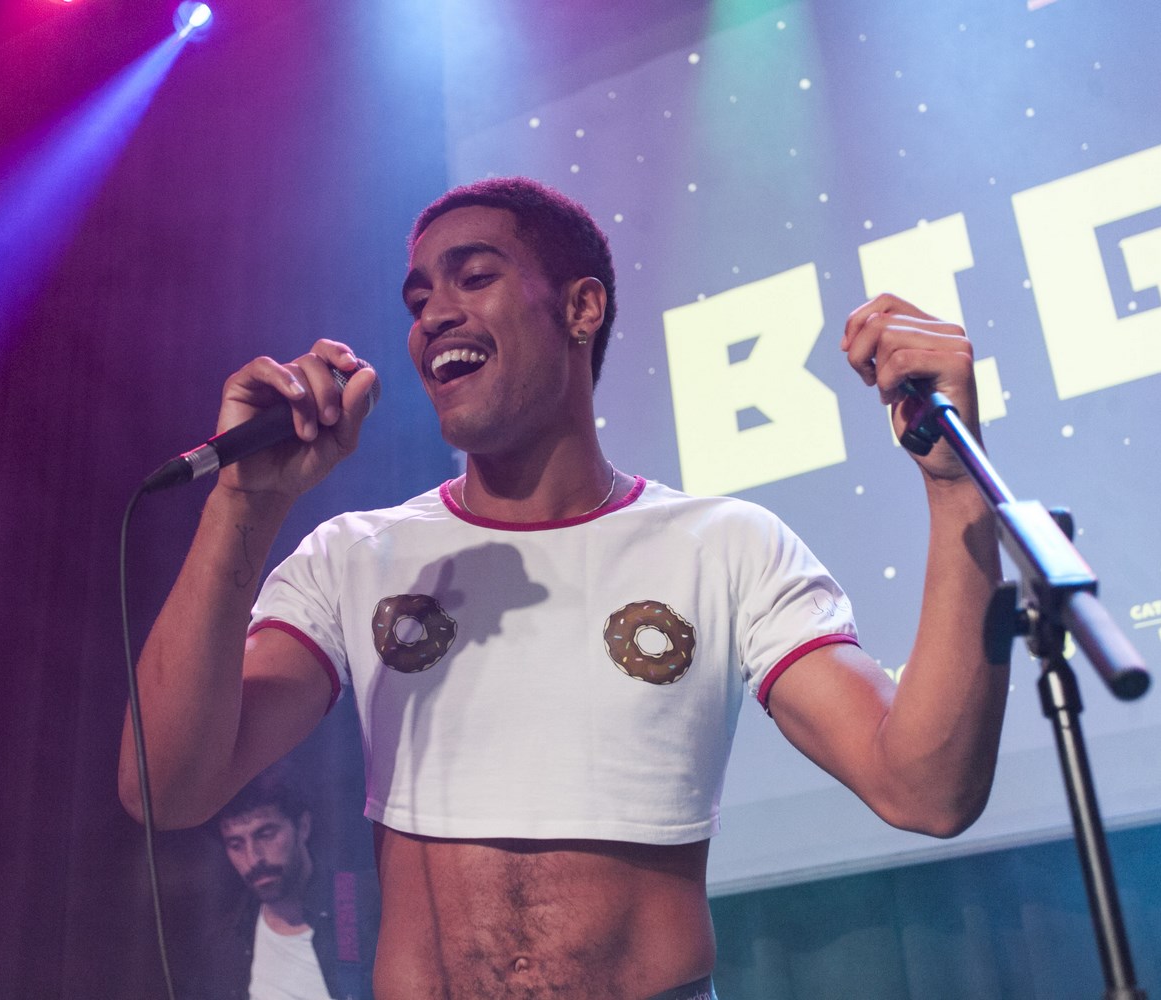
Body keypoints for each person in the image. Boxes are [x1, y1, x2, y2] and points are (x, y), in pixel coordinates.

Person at [121, 177, 1008, 999]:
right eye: (419, 299)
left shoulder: (725, 546)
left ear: (582, 308)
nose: (434, 315)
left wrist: (954, 485)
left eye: (473, 278)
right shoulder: (356, 555)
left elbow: (924, 789)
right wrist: (244, 503)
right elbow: (166, 785)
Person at [189, 770, 378, 1000]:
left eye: (265, 834)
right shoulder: (227, 944)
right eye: (236, 844)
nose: (253, 858)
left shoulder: (369, 904)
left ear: (303, 826)